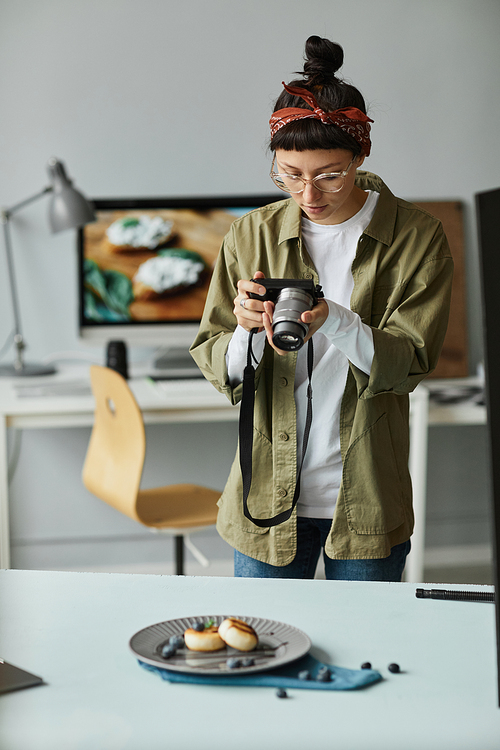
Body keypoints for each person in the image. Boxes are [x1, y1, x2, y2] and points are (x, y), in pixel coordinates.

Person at [190, 35, 453, 581]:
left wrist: (334, 318)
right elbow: (220, 366)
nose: (308, 193)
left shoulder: (417, 236)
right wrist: (244, 331)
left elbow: (411, 362)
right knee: (261, 651)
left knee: (368, 652)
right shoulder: (250, 233)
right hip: (266, 492)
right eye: (289, 173)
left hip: (365, 495)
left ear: (361, 156)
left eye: (330, 173)